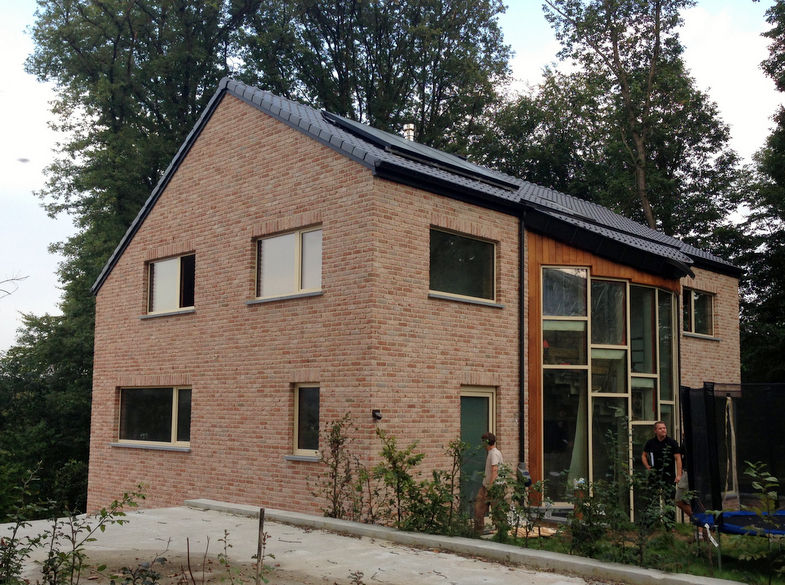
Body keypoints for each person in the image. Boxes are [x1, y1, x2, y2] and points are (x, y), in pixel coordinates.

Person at [641, 421, 683, 513]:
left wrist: (679, 475)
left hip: (669, 475)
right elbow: (643, 455)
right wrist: (648, 466)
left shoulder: (672, 443)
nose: (663, 430)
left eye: (664, 428)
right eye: (660, 428)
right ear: (655, 431)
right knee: (651, 498)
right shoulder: (650, 443)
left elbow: (678, 459)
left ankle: (670, 525)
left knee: (669, 499)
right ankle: (650, 522)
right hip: (654, 474)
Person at [474, 431, 504, 534]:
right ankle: (478, 532)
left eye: (483, 441)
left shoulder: (494, 454)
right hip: (485, 486)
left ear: (486, 442)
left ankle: (501, 533)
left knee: (497, 511)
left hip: (494, 487)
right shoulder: (492, 453)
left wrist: (490, 488)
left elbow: (495, 471)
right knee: (479, 508)